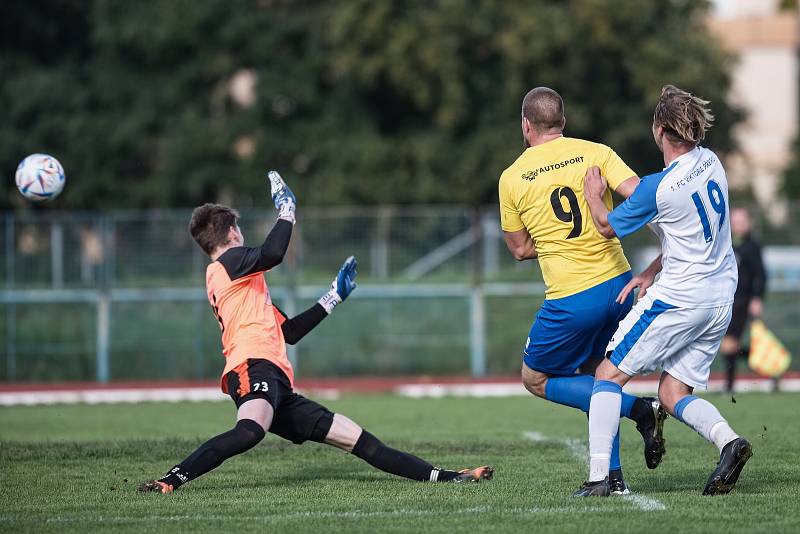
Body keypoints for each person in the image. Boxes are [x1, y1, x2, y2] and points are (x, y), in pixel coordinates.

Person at [139, 171, 493, 493]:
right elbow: (273, 252)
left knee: (360, 440)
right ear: (232, 233)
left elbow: (289, 331)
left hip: (278, 381)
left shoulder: (243, 285)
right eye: (240, 231)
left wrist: (333, 296)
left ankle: (448, 477)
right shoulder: (225, 265)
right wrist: (287, 209)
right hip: (252, 368)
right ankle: (171, 479)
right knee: (249, 431)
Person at [577, 85, 752, 497]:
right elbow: (688, 234)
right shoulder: (711, 162)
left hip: (681, 299)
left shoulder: (658, 187)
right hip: (719, 298)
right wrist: (651, 270)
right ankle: (730, 443)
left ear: (658, 131)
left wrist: (593, 197)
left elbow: (606, 226)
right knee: (672, 394)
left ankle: (600, 479)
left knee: (606, 376)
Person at [498, 87, 668, 495]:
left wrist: (555, 239)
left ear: (526, 125)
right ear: (564, 122)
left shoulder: (512, 177)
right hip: (620, 285)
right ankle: (612, 479)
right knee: (598, 375)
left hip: (573, 298)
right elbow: (642, 195)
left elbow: (520, 248)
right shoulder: (596, 151)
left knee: (536, 377)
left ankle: (640, 410)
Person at [720, 208, 767, 392]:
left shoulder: (752, 246)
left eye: (741, 222)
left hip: (742, 300)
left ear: (749, 223)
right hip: (726, 299)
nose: (737, 226)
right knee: (730, 344)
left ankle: (729, 386)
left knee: (729, 343)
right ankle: (766, 363)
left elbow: (761, 275)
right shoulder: (727, 244)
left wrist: (757, 298)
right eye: (734, 222)